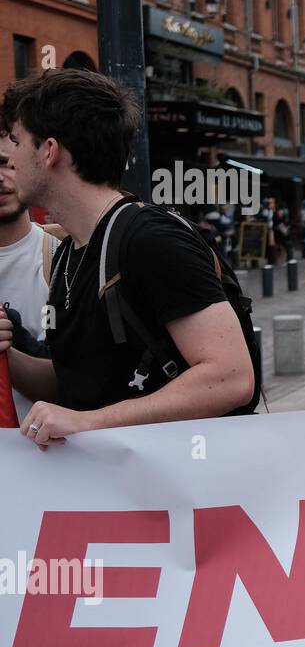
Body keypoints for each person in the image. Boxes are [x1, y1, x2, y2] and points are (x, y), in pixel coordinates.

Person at [0, 69, 254, 447]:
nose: (11, 160)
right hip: (120, 494)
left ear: (49, 151)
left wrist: (91, 422)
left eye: (18, 143)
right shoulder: (72, 252)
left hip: (180, 487)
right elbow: (71, 380)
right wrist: (9, 355)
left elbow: (231, 377)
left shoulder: (149, 239)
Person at [0, 129, 60, 420]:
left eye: (5, 164)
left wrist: (7, 354)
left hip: (40, 456)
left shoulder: (62, 261)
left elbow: (71, 382)